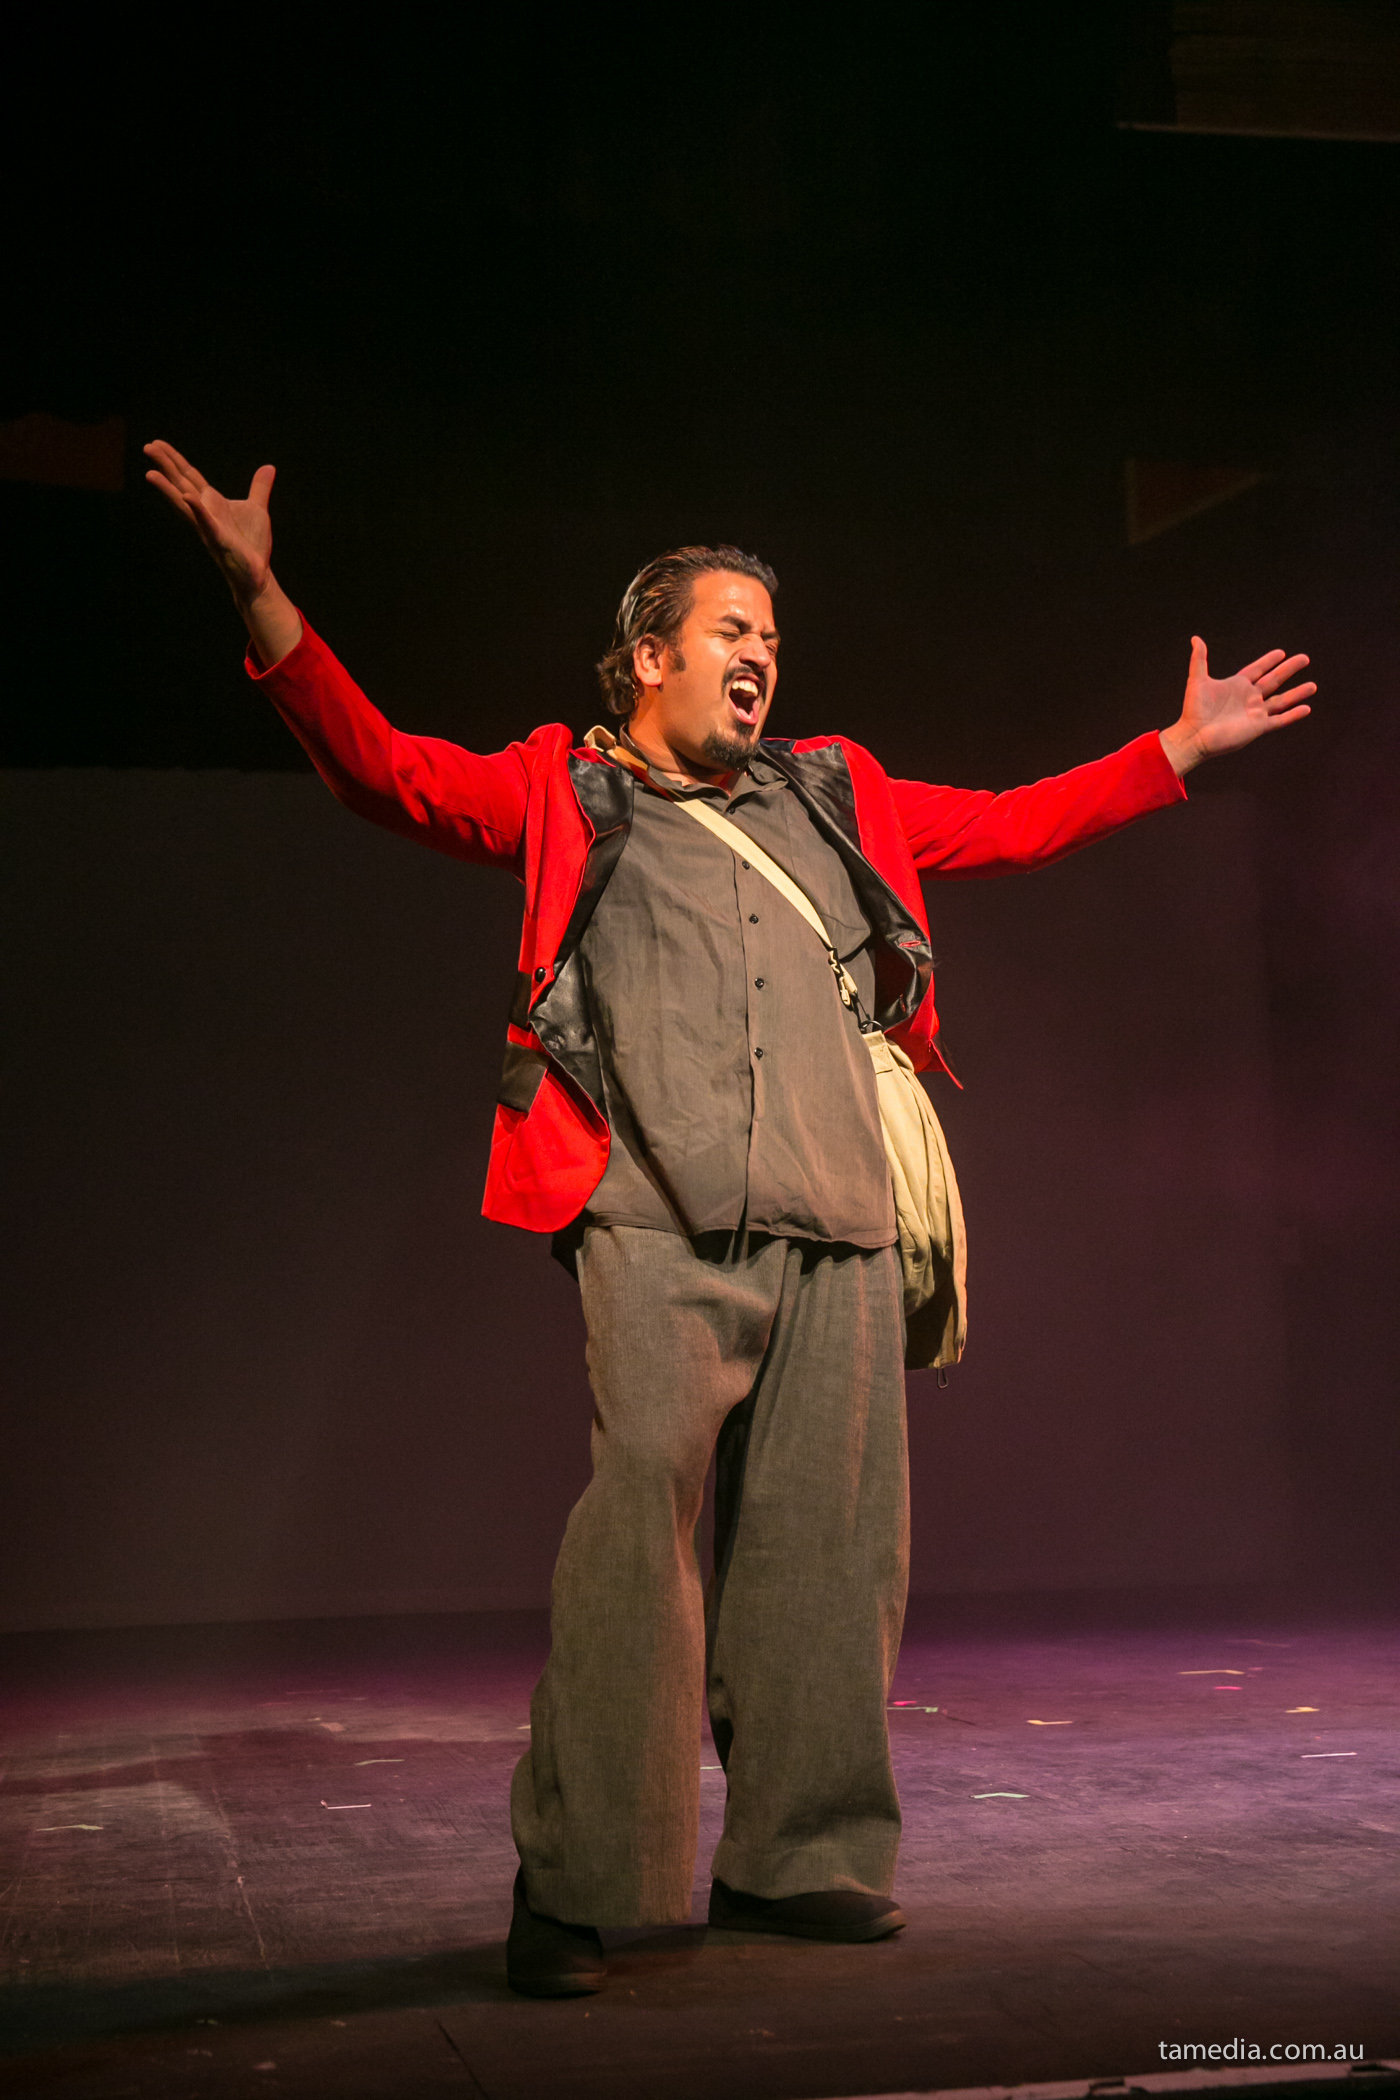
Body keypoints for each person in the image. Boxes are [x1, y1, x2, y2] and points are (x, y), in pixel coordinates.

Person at [145, 440, 1314, 1997]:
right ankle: (578, 1883)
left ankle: (801, 1860)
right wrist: (262, 596)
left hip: (840, 1219)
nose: (759, 656)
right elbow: (383, 767)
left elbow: (1010, 824)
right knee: (636, 1536)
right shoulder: (564, 791)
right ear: (651, 656)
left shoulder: (837, 792)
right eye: (729, 632)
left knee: (832, 1553)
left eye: (772, 638)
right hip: (653, 1217)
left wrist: (1174, 749)